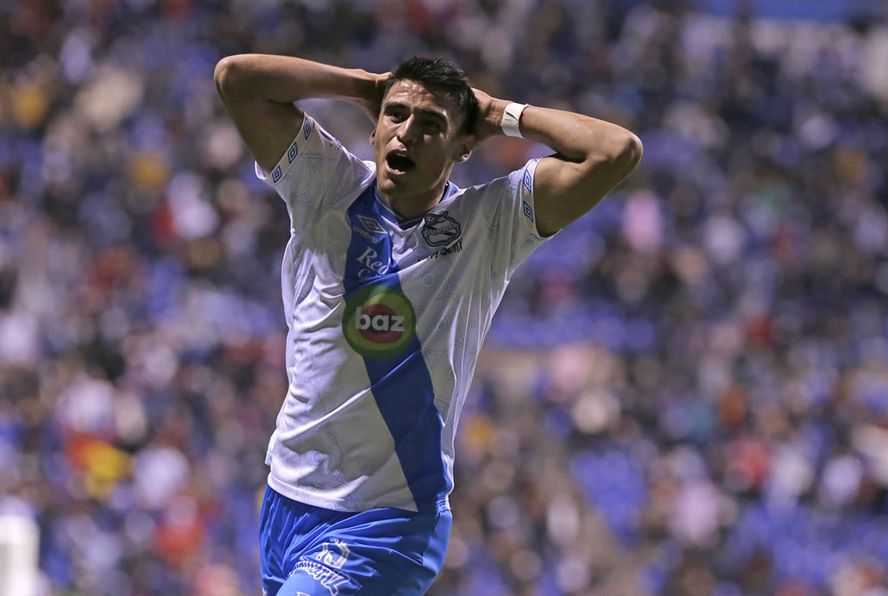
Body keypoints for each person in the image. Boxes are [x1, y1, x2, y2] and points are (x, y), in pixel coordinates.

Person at [213, 53, 641, 595]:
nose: (406, 133)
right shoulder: (326, 185)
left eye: (432, 124)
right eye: (395, 115)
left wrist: (498, 112)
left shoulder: (490, 223)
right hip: (288, 498)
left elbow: (615, 151)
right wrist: (367, 85)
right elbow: (237, 78)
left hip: (387, 520)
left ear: (465, 146)